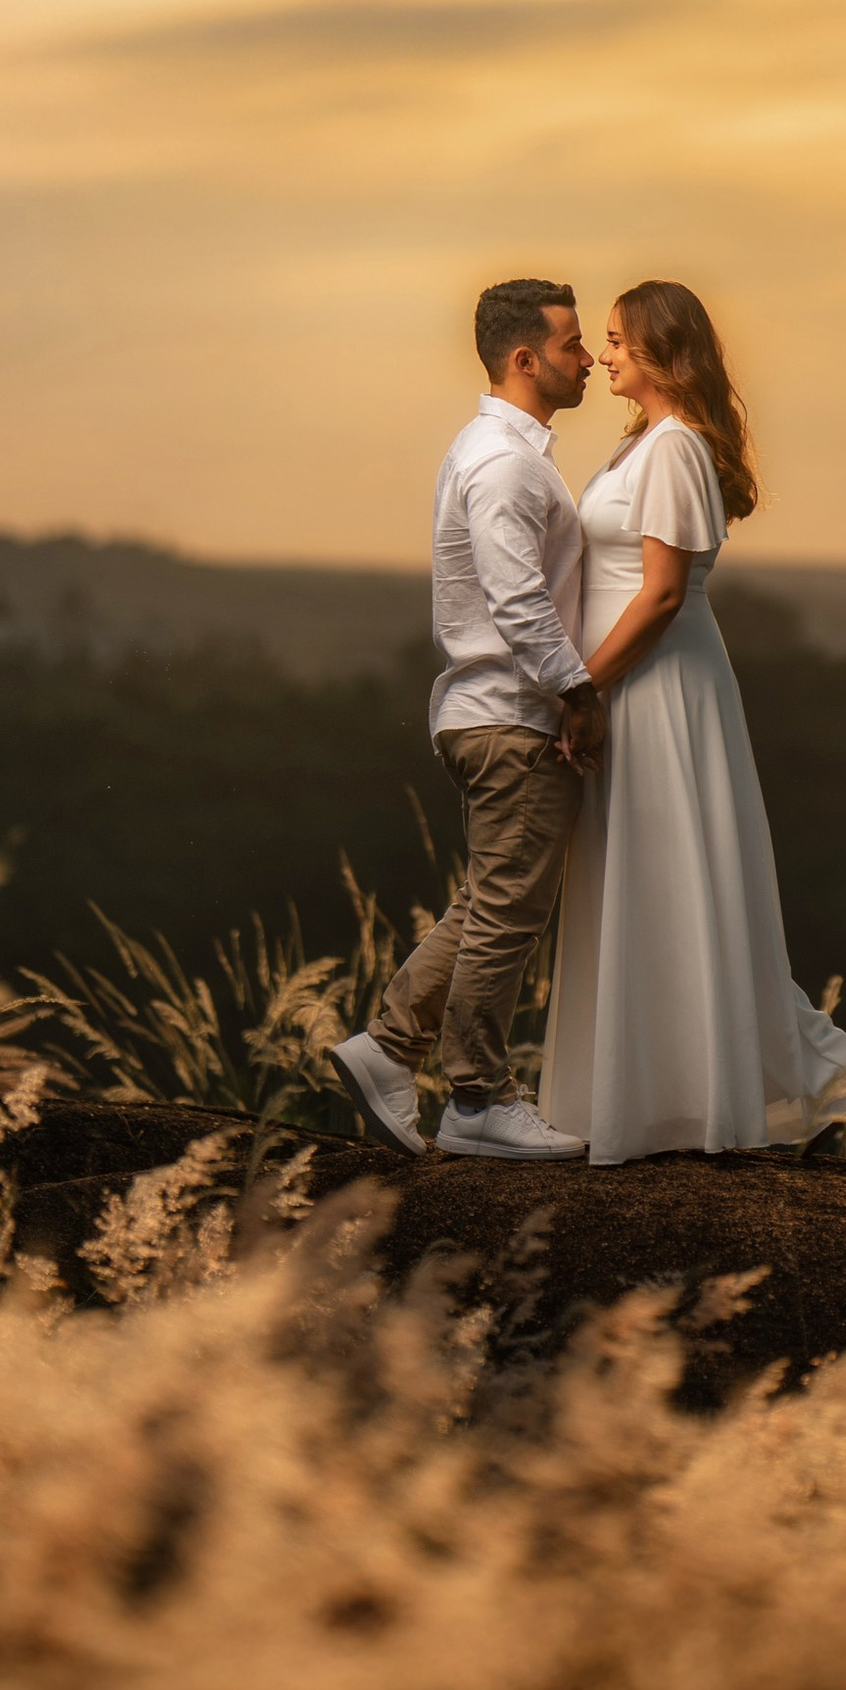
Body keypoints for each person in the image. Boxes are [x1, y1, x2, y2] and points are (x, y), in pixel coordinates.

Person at [539, 279, 846, 1165]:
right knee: (635, 877)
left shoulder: (677, 447)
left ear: (661, 349)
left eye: (616, 339)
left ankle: (702, 1097)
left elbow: (659, 595)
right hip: (628, 681)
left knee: (670, 872)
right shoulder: (639, 443)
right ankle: (640, 1098)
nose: (603, 354)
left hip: (656, 686)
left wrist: (584, 687)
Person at [331, 277, 606, 1159]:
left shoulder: (504, 452)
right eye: (571, 344)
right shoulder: (503, 463)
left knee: (491, 901)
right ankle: (479, 1096)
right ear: (524, 358)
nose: (589, 357)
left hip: (493, 712)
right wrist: (579, 691)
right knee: (508, 914)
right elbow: (517, 598)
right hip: (511, 716)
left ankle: (386, 1051)